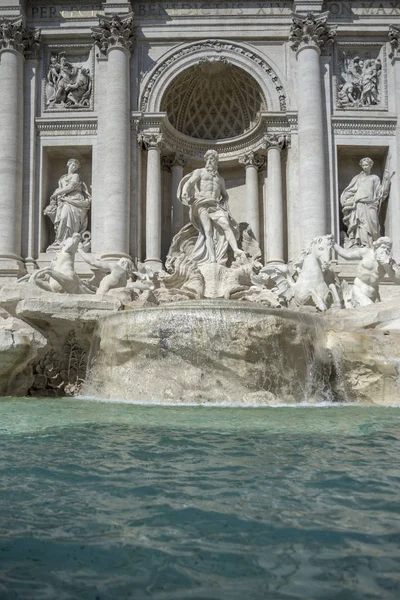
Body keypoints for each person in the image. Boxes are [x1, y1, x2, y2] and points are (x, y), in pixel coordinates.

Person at [168, 149, 244, 266]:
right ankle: (212, 258)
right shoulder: (200, 172)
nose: (210, 161)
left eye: (212, 159)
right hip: (202, 204)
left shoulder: (220, 179)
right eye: (208, 159)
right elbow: (189, 183)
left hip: (215, 205)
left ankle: (235, 250)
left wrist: (223, 204)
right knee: (207, 231)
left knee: (226, 225)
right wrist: (184, 192)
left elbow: (225, 195)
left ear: (216, 162)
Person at [334, 237, 400, 307]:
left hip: (374, 295)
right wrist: (334, 244)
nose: (385, 250)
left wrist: (388, 268)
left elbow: (397, 280)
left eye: (388, 249)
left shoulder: (389, 262)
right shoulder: (366, 252)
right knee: (370, 311)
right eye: (383, 247)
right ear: (377, 247)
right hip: (359, 290)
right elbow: (347, 255)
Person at [44, 158, 91, 252]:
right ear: (68, 164)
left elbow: (71, 187)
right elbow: (60, 189)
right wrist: (57, 195)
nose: (74, 167)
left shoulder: (76, 176)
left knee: (66, 216)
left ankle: (70, 241)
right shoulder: (62, 178)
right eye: (72, 165)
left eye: (76, 166)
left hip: (75, 201)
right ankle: (60, 241)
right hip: (64, 201)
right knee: (62, 218)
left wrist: (57, 193)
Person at [340, 157, 388, 248]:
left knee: (374, 224)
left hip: (371, 204)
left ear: (370, 165)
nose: (365, 167)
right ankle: (364, 244)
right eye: (363, 165)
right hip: (359, 204)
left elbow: (379, 192)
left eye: (367, 165)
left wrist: (386, 184)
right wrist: (347, 198)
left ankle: (374, 244)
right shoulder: (358, 178)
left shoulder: (375, 178)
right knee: (361, 224)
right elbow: (351, 190)